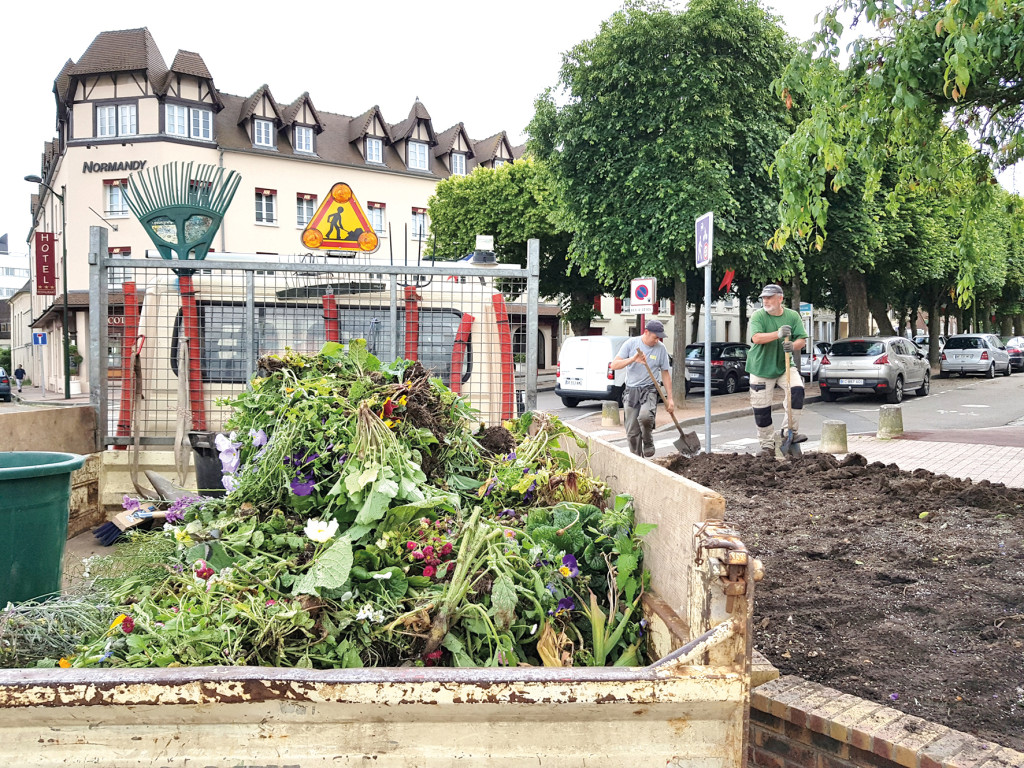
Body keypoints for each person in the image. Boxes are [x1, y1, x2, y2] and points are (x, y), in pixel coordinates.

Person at [747, 284, 807, 455]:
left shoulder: (792, 316)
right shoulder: (758, 316)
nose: (765, 301)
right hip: (760, 368)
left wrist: (792, 345)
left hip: (784, 366)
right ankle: (767, 446)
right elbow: (756, 338)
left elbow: (801, 340)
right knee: (762, 409)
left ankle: (789, 432)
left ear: (780, 298)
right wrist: (778, 333)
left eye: (769, 297)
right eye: (764, 298)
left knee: (797, 391)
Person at [610, 319, 674, 458]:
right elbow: (614, 365)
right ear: (646, 332)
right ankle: (637, 459)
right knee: (632, 432)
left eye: (659, 337)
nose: (657, 340)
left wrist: (670, 399)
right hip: (631, 391)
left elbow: (665, 373)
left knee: (645, 417)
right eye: (655, 337)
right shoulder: (631, 344)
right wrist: (633, 359)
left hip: (649, 389)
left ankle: (648, 441)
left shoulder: (661, 348)